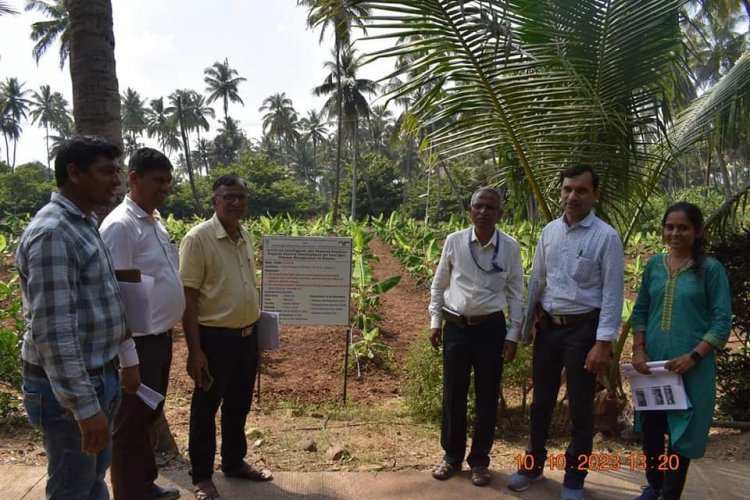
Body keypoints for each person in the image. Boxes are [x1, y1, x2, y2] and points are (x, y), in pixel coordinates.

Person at [16, 135, 140, 499]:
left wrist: (125, 357)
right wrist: (85, 409)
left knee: (90, 481)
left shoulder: (82, 222)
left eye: (116, 171)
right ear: (74, 173)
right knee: (72, 486)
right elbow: (54, 333)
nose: (115, 180)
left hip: (99, 377)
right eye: (106, 172)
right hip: (70, 391)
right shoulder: (54, 233)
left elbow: (103, 298)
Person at [507, 165, 624, 500]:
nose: (572, 196)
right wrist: (528, 321)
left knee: (580, 410)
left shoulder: (606, 237)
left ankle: (575, 478)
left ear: (594, 194)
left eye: (581, 190)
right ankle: (532, 465)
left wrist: (603, 342)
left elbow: (612, 294)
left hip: (584, 331)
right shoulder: (549, 232)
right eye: (567, 189)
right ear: (560, 192)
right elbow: (537, 281)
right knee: (541, 403)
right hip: (548, 329)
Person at [179, 174, 273, 500]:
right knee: (206, 408)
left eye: (241, 197)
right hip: (214, 339)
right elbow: (187, 299)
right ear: (214, 201)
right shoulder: (198, 239)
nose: (236, 202)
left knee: (238, 405)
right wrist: (195, 351)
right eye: (228, 196)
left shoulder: (244, 235)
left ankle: (234, 462)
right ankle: (202, 476)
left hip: (246, 338)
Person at [630, 202, 731, 500]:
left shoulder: (711, 270)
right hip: (655, 367)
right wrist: (638, 351)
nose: (675, 233)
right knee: (651, 430)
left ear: (697, 231)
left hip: (692, 368)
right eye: (670, 226)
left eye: (683, 227)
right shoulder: (653, 266)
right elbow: (641, 310)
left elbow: (722, 320)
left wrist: (694, 356)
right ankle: (654, 486)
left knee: (681, 433)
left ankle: (670, 494)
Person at [101, 148, 184, 500]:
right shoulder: (121, 226)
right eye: (157, 180)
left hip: (160, 340)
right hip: (139, 343)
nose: (164, 187)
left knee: (147, 416)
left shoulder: (154, 220)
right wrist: (127, 357)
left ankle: (143, 483)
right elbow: (116, 296)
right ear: (133, 179)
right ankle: (126, 491)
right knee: (130, 422)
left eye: (168, 181)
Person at [428, 187, 525, 487]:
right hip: (456, 327)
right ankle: (451, 456)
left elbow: (516, 294)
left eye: (490, 207)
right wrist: (435, 321)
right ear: (470, 210)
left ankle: (480, 461)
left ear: (500, 214)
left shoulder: (509, 248)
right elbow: (439, 284)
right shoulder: (454, 242)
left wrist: (512, 336)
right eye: (478, 206)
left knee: (486, 397)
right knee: (453, 395)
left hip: (490, 330)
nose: (483, 212)